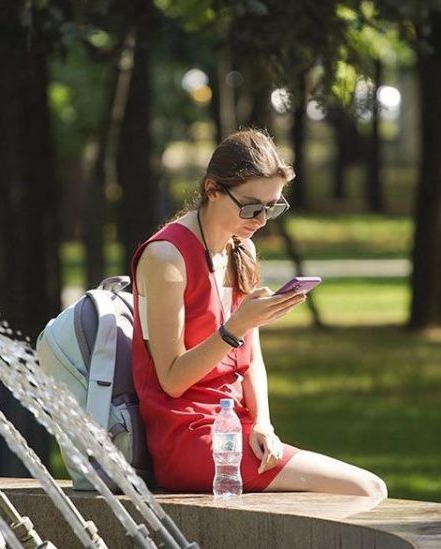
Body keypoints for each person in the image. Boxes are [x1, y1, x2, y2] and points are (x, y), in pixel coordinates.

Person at [130, 129, 388, 499]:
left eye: (272, 207)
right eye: (251, 207)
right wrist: (236, 326)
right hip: (187, 437)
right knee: (366, 489)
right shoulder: (166, 257)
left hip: (235, 427)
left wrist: (264, 423)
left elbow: (252, 360)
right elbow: (171, 379)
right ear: (212, 189)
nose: (262, 220)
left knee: (362, 489)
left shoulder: (241, 249)